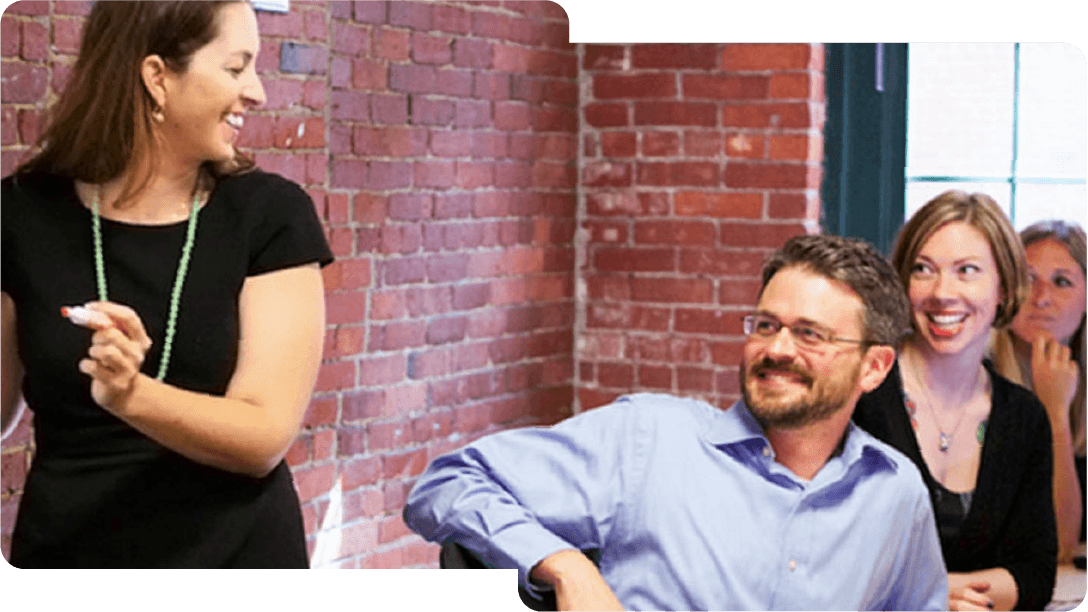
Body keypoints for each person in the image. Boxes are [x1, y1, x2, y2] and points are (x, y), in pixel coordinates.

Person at [403, 235, 949, 612]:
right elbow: (448, 484)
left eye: (810, 334)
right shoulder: (651, 438)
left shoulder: (894, 491)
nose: (777, 349)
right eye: (765, 325)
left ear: (874, 367)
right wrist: (567, 567)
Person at [0, 0, 332, 568]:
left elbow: (264, 435)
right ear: (157, 76)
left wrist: (132, 394)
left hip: (238, 565)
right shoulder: (21, 214)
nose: (256, 92)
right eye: (236, 67)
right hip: (69, 562)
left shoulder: (270, 216)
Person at [853, 191, 1058, 611]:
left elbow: (1035, 575)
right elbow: (814, 549)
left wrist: (941, 588)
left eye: (967, 271)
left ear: (1004, 287)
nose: (942, 292)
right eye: (923, 270)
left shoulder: (1024, 418)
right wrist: (927, 592)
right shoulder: (860, 390)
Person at [991, 220, 1087, 561]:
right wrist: (1054, 413)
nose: (1042, 298)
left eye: (1062, 282)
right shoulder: (974, 377)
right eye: (1029, 279)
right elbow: (1057, 545)